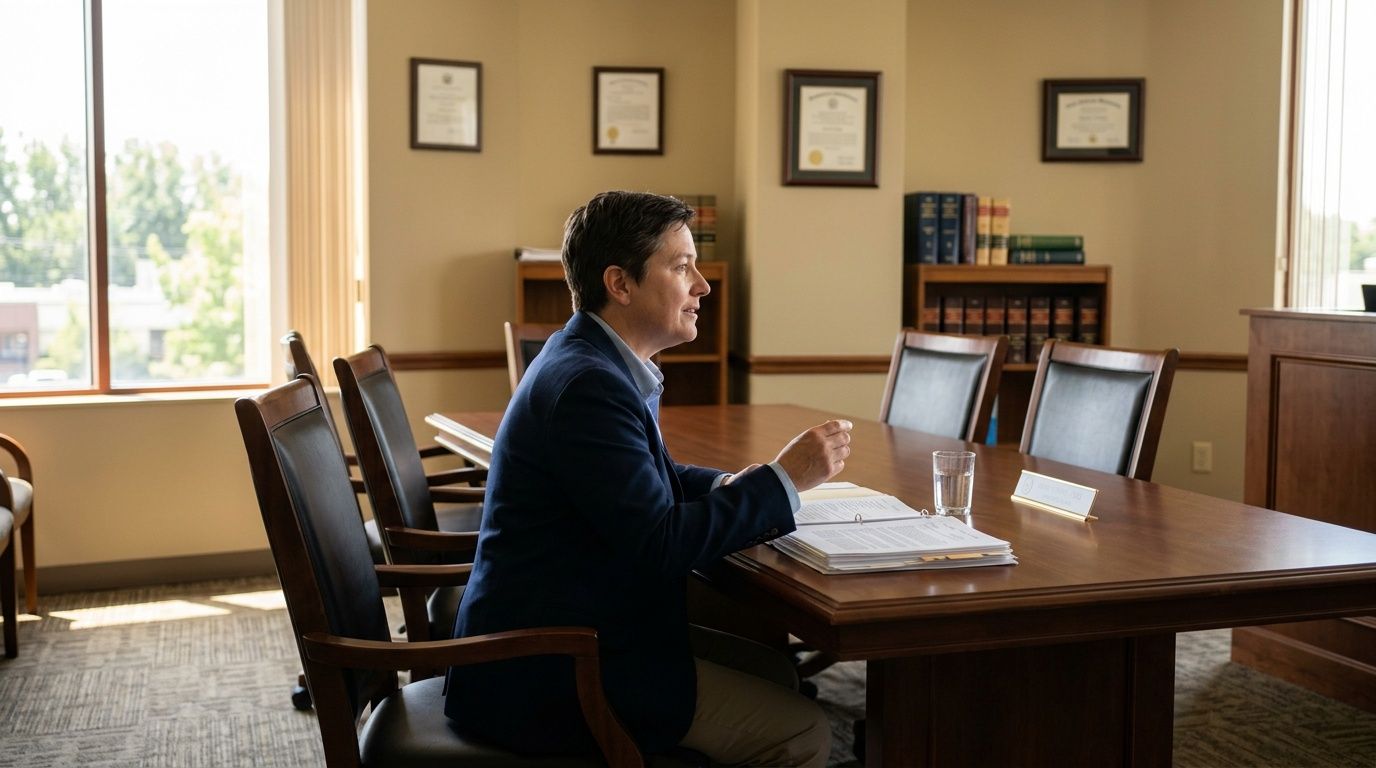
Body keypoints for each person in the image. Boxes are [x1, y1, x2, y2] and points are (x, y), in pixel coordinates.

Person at [445, 191, 852, 766]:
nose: (703, 286)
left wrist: (734, 484)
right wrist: (783, 481)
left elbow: (648, 478)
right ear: (621, 283)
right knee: (805, 731)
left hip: (575, 627)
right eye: (682, 267)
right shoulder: (590, 384)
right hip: (553, 668)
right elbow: (659, 544)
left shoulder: (589, 358)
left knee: (771, 668)